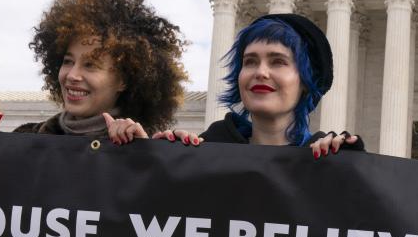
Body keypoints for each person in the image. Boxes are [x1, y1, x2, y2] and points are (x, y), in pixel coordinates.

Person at [150, 13, 363, 157]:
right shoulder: (204, 153)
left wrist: (349, 165)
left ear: (306, 82)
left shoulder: (328, 160)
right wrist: (143, 156)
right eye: (250, 62)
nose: (260, 72)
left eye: (278, 61)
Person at [16, 0, 186, 140]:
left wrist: (145, 160)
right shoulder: (24, 140)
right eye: (68, 61)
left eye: (90, 64)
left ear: (123, 81)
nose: (72, 75)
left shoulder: (145, 148)